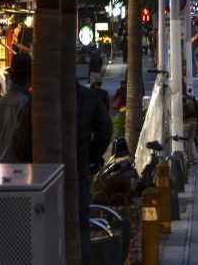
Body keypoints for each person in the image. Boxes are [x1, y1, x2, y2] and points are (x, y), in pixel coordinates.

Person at [76, 82, 113, 265]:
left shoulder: (38, 99)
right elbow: (105, 129)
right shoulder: (88, 97)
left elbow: (22, 143)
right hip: (79, 171)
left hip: (44, 173)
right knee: (81, 229)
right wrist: (91, 155)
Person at [0, 53, 32, 163]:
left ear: (11, 76)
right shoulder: (28, 102)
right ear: (30, 76)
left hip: (2, 167)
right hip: (22, 169)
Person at [182, 86, 198, 166]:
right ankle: (194, 159)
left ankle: (188, 160)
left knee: (185, 141)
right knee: (191, 140)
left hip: (186, 121)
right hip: (194, 120)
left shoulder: (180, 99)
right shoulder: (191, 98)